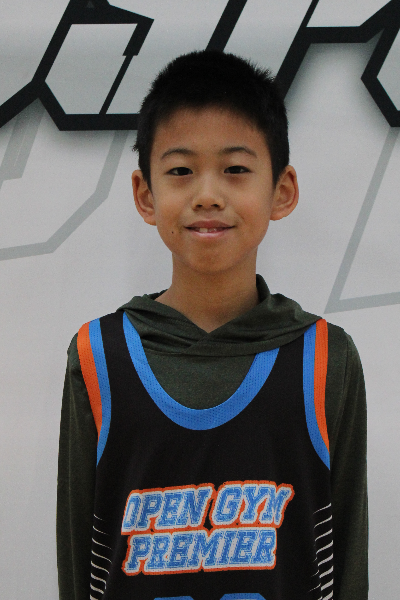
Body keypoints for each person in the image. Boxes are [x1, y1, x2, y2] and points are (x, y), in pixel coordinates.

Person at [57, 50, 368, 600]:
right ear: (145, 195)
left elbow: (346, 565)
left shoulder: (325, 357)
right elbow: (80, 563)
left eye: (236, 170)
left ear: (281, 191)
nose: (207, 195)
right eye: (181, 171)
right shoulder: (98, 357)